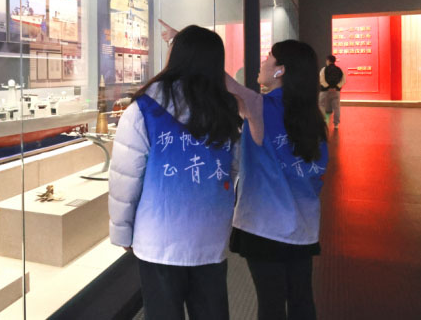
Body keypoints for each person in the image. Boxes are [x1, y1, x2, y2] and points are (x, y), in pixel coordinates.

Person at [109, 25, 242, 320]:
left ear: (176, 56)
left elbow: (125, 180)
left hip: (158, 239)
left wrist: (122, 231)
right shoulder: (226, 111)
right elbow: (232, 170)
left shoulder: (143, 110)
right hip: (210, 237)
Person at [225, 41, 328, 320]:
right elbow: (317, 177)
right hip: (303, 226)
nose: (263, 62)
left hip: (264, 227)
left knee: (270, 304)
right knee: (301, 300)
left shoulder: (260, 107)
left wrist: (180, 42)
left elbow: (223, 82)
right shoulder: (313, 117)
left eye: (268, 57)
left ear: (280, 70)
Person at [319, 54, 345, 129]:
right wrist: (336, 87)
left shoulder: (324, 69)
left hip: (325, 91)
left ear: (328, 61)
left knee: (321, 105)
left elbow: (321, 80)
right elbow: (343, 80)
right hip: (336, 92)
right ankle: (336, 124)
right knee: (336, 107)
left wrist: (328, 87)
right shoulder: (339, 70)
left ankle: (323, 121)